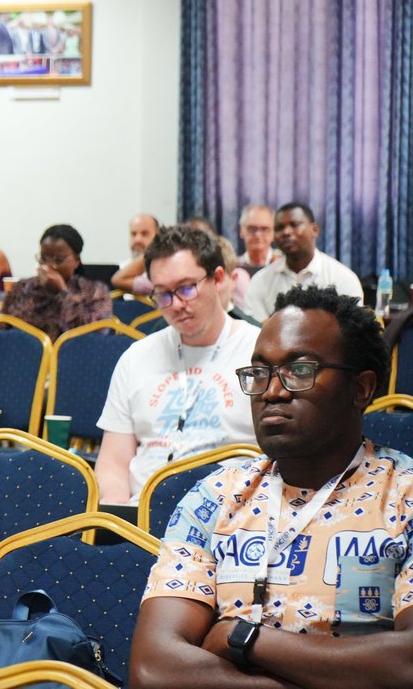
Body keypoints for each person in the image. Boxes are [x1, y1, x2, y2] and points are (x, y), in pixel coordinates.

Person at [130, 286, 413, 689]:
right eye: (259, 372)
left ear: (361, 388)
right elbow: (152, 669)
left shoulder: (404, 496)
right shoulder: (216, 496)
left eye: (299, 370)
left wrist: (242, 638)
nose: (273, 391)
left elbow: (407, 665)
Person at [94, 226, 258, 504]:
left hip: (230, 519)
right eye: (163, 294)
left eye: (186, 288)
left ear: (217, 279)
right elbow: (113, 463)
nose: (177, 304)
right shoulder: (136, 357)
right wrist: (116, 521)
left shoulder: (259, 352)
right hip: (142, 519)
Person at [243, 203, 364, 321]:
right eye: (279, 228)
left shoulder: (342, 278)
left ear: (315, 229)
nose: (286, 232)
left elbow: (352, 331)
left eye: (294, 225)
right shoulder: (260, 281)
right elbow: (255, 331)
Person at [1, 224, 112, 340]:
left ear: (76, 261)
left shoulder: (94, 292)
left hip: (74, 355)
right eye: (43, 258)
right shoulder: (22, 288)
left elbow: (95, 336)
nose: (49, 266)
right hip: (24, 355)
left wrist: (62, 292)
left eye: (59, 260)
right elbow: (2, 329)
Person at [237, 203, 280, 276]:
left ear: (274, 232)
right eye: (252, 228)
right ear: (241, 230)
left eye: (265, 229)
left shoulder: (283, 265)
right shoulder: (235, 268)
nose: (258, 235)